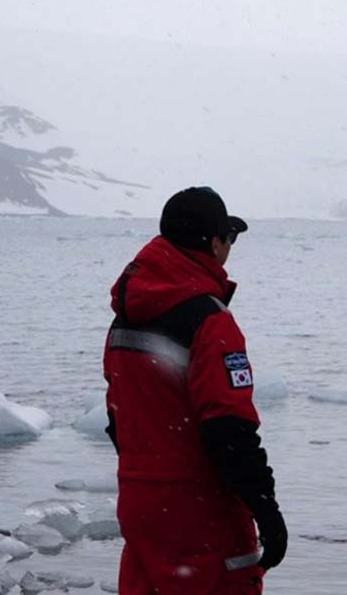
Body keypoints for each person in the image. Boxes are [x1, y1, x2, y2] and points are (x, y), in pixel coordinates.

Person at [104, 187, 286, 595]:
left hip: (140, 500)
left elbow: (116, 415)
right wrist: (265, 508)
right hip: (199, 508)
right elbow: (230, 429)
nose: (230, 248)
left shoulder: (125, 319)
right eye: (229, 237)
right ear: (214, 243)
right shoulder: (210, 320)